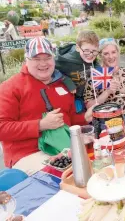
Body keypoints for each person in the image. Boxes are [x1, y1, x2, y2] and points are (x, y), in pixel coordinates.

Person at [0, 37, 94, 174]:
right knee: (67, 176)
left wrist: (86, 117)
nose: (43, 63)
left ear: (53, 59)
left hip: (65, 148)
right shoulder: (10, 87)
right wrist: (40, 125)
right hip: (29, 155)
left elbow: (70, 120)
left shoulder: (63, 85)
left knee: (96, 163)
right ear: (26, 60)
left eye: (47, 57)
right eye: (36, 59)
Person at [84, 38, 125, 124]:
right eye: (106, 53)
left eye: (113, 52)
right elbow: (89, 106)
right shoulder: (96, 76)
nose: (111, 56)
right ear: (101, 56)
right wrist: (107, 92)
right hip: (108, 121)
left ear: (118, 53)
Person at [55, 30, 101, 113]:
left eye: (94, 51)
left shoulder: (92, 55)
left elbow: (96, 63)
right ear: (77, 48)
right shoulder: (66, 60)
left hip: (88, 96)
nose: (90, 54)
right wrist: (66, 79)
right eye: (86, 50)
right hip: (74, 98)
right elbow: (51, 69)